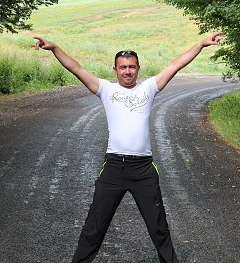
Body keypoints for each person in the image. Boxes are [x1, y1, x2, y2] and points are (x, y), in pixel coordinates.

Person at [33, 32, 222, 263]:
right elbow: (76, 68)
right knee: (94, 227)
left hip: (143, 170)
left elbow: (176, 64)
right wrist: (55, 48)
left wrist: (201, 44)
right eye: (122, 67)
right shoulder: (106, 89)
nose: (127, 71)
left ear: (138, 68)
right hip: (114, 168)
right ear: (115, 69)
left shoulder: (149, 88)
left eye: (132, 67)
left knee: (159, 227)